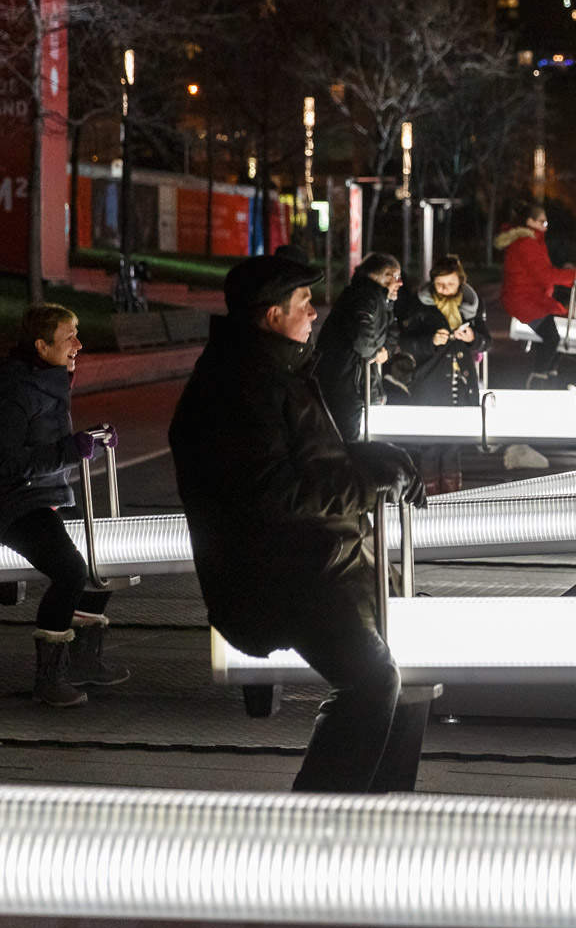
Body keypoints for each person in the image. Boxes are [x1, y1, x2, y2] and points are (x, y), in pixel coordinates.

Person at [169, 254, 428, 792]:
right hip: (286, 573)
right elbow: (272, 492)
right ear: (271, 315)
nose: (315, 312)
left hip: (323, 558)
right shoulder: (237, 389)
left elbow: (311, 458)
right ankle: (314, 832)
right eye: (304, 302)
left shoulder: (274, 370)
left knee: (408, 674)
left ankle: (380, 816)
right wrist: (368, 484)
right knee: (371, 683)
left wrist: (374, 457)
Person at [0, 304, 129, 707]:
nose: (79, 343)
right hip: (15, 502)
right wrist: (68, 450)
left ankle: (82, 660)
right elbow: (7, 464)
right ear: (41, 346)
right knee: (72, 571)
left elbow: (48, 445)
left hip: (47, 495)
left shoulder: (49, 381)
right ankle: (49, 679)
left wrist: (89, 438)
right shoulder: (17, 391)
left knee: (103, 559)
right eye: (69, 336)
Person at [399, 254, 492, 494]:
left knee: (453, 445)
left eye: (450, 284)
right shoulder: (419, 304)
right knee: (429, 445)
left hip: (460, 382)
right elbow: (404, 342)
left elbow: (485, 341)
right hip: (429, 380)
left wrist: (473, 339)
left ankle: (452, 499)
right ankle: (429, 499)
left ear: (460, 283)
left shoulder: (471, 304)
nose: (445, 290)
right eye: (440, 285)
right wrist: (430, 341)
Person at [495, 203, 576, 382]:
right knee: (552, 337)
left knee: (555, 336)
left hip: (531, 298)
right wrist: (573, 275)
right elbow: (544, 274)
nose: (545, 226)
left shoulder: (532, 241)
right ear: (530, 221)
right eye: (542, 222)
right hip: (523, 300)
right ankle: (539, 377)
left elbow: (543, 271)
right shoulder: (527, 243)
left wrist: (571, 275)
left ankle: (548, 375)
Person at [315, 252, 401, 441]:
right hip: (347, 382)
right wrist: (377, 351)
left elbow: (392, 329)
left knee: (352, 438)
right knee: (347, 439)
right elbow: (364, 342)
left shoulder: (379, 299)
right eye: (394, 276)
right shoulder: (366, 297)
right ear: (377, 276)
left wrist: (385, 348)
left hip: (353, 380)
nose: (400, 282)